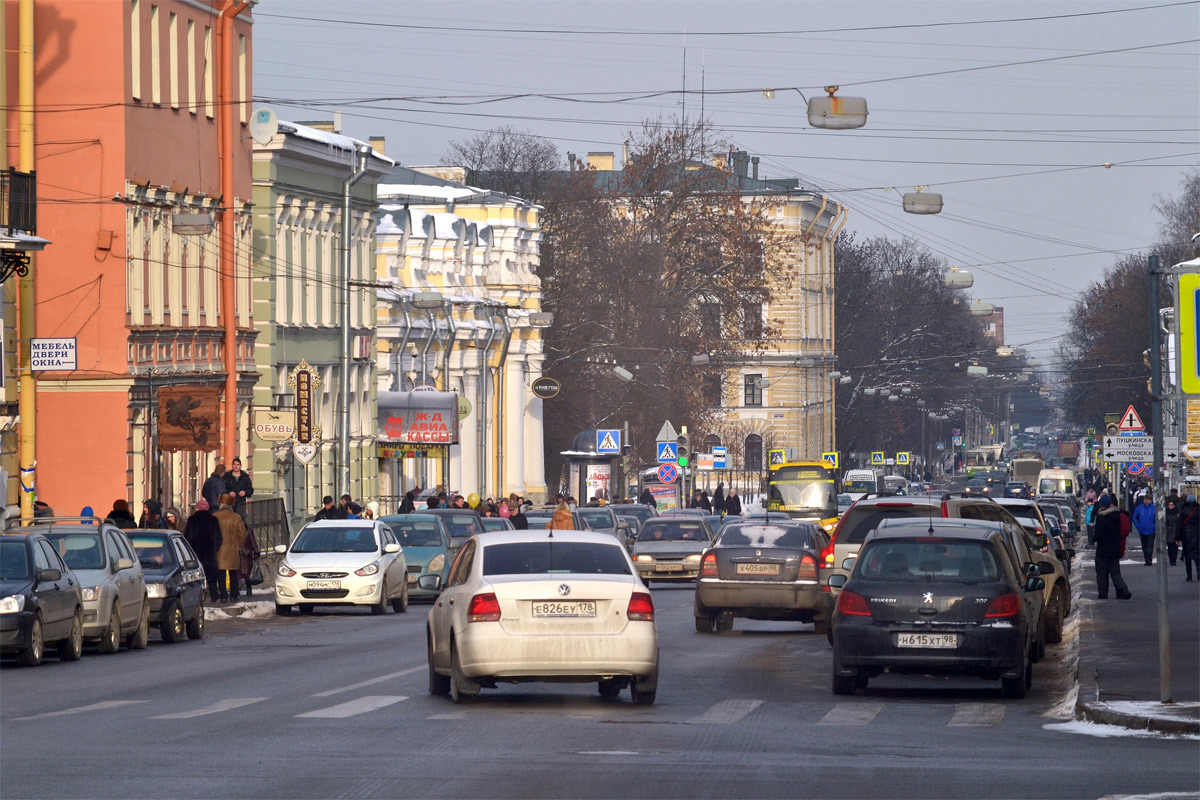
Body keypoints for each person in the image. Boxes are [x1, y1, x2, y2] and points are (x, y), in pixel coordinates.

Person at [184, 498, 223, 601]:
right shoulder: (213, 520)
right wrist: (215, 547)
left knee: (196, 577)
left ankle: (197, 598)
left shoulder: (192, 520)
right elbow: (219, 537)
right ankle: (214, 597)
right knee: (212, 576)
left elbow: (187, 537)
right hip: (209, 552)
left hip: (195, 552)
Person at [1093, 495, 1132, 600]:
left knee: (1101, 573)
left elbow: (1098, 535)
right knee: (1115, 572)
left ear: (1101, 504)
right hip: (1115, 548)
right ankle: (1124, 590)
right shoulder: (1117, 516)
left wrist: (1094, 538)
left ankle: (1103, 593)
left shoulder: (1101, 517)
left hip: (1103, 550)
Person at [213, 494, 247, 603]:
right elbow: (242, 534)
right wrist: (239, 545)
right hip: (233, 548)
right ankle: (234, 595)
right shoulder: (236, 517)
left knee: (221, 574)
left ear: (222, 504)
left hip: (219, 550)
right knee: (233, 573)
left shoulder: (215, 516)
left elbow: (212, 533)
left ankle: (223, 596)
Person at [1131, 492, 1156, 566]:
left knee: (1150, 545)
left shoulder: (1154, 508)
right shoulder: (1139, 508)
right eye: (1145, 499)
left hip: (1151, 530)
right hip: (1142, 530)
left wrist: (1154, 526)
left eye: (1148, 500)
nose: (1146, 501)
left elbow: (1157, 519)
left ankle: (1149, 559)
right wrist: (1137, 526)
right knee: (1144, 545)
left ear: (1151, 500)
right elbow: (1135, 517)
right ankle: (1146, 559)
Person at [1179, 494, 1200, 581]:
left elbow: (1179, 525)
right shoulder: (1198, 510)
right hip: (1197, 535)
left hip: (1186, 536)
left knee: (1187, 556)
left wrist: (1177, 537)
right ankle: (1199, 573)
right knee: (1197, 555)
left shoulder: (1183, 510)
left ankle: (1189, 575)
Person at [239, 522, 261, 598]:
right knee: (245, 573)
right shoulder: (248, 529)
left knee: (240, 573)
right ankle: (248, 589)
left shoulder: (237, 529)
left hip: (239, 554)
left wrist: (256, 550)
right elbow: (252, 541)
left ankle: (236, 590)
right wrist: (256, 551)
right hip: (246, 554)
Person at [1164, 494, 1181, 566]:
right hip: (1168, 532)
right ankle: (1171, 559)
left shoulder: (1177, 513)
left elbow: (1179, 523)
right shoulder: (1166, 513)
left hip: (1175, 532)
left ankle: (1173, 560)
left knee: (1174, 547)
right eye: (1169, 504)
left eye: (1171, 505)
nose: (1170, 506)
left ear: (1174, 505)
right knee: (1170, 547)